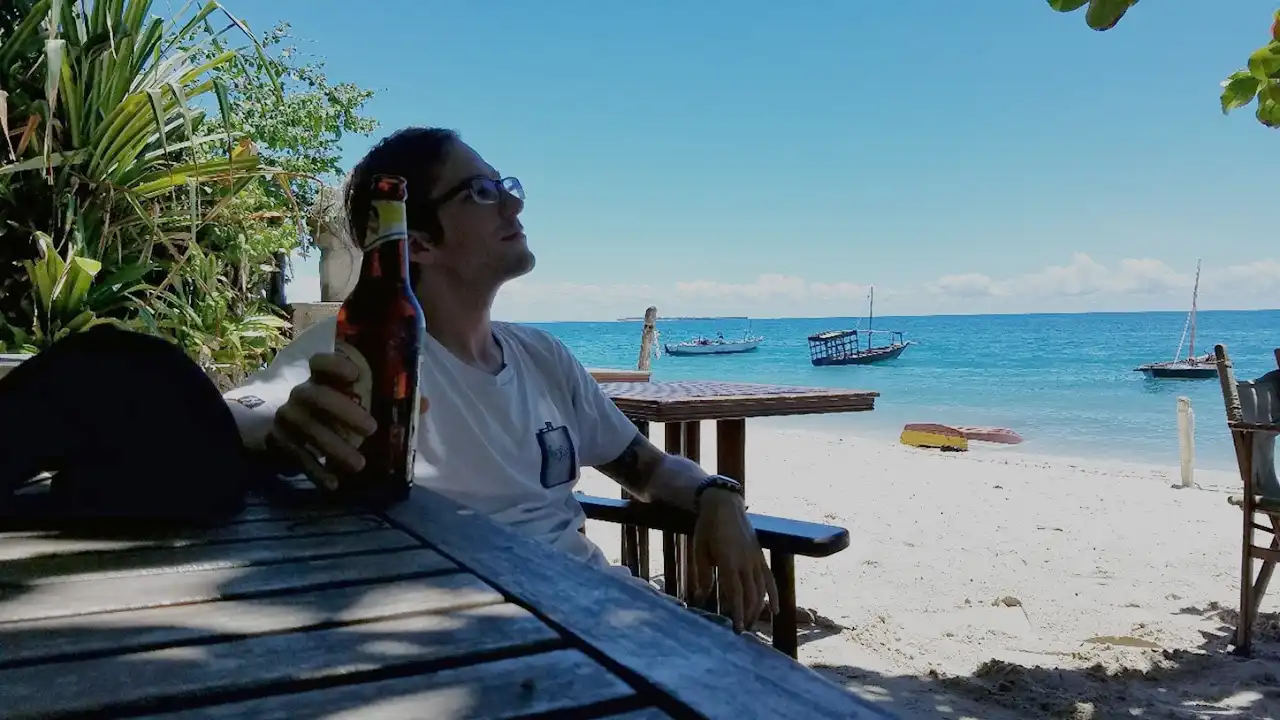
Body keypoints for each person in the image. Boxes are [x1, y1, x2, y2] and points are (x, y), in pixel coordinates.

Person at [223, 127, 777, 633]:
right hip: (494, 637)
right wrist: (285, 427)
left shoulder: (542, 356)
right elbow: (236, 411)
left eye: (504, 186)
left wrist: (716, 494)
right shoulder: (365, 349)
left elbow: (647, 468)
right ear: (418, 242)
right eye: (480, 192)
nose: (514, 203)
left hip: (613, 613)